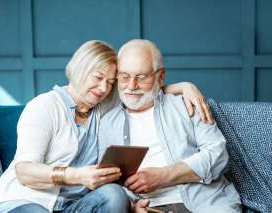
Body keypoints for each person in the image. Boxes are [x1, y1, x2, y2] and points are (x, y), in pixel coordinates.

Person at [0, 40, 212, 213]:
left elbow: (140, 91)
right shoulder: (44, 106)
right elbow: (24, 171)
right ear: (79, 69)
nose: (104, 87)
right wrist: (76, 176)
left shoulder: (102, 105)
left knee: (114, 195)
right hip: (27, 201)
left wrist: (184, 86)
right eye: (98, 77)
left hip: (73, 206)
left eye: (111, 82)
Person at [98, 39, 242, 213]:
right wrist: (131, 207)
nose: (131, 86)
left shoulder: (187, 104)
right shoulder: (107, 123)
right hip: (147, 208)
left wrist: (163, 176)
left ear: (160, 76)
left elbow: (218, 155)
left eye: (141, 77)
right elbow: (108, 180)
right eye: (124, 76)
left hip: (205, 203)